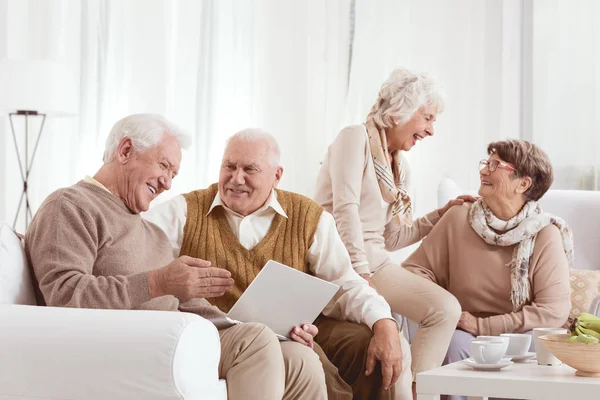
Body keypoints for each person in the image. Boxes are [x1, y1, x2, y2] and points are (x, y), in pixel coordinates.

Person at [25, 114, 321, 400]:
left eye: (173, 174)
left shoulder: (151, 232)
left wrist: (276, 332)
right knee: (254, 342)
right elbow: (64, 297)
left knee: (298, 361)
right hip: (128, 346)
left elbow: (190, 304)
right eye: (164, 166)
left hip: (176, 340)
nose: (167, 183)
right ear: (126, 150)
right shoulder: (70, 206)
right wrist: (158, 282)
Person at [143, 128, 413, 399]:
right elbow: (135, 251)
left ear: (277, 176)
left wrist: (384, 321)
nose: (237, 179)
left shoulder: (308, 216)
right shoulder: (184, 211)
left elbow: (345, 282)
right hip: (223, 336)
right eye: (229, 166)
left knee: (368, 342)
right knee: (301, 358)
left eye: (250, 169)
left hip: (295, 332)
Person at [313, 67, 474, 390]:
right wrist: (360, 274)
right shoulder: (354, 138)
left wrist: (440, 214)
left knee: (443, 310)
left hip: (375, 259)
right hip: (342, 259)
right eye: (427, 118)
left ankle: (417, 392)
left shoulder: (399, 167)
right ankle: (421, 393)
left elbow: (391, 236)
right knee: (443, 310)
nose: (430, 131)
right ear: (402, 109)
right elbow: (345, 210)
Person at [402, 139, 572, 400]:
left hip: (520, 336)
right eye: (486, 163)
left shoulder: (545, 234)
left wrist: (483, 326)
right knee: (453, 345)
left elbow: (553, 311)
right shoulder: (458, 217)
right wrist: (448, 308)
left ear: (523, 183)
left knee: (531, 356)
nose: (484, 171)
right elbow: (413, 272)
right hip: (463, 333)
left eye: (495, 165)